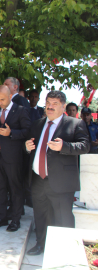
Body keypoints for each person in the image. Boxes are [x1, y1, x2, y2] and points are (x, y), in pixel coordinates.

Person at [25, 91, 90, 256]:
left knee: (63, 218)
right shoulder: (37, 124)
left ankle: (66, 251)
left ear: (63, 106)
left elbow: (85, 146)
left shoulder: (75, 124)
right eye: (48, 102)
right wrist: (27, 147)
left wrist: (64, 146)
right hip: (38, 179)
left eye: (54, 103)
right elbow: (32, 147)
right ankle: (41, 244)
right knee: (40, 215)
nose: (50, 106)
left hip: (61, 181)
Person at [0, 85, 31, 232]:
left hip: (13, 156)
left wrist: (11, 133)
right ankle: (2, 217)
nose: (0, 102)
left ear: (10, 96)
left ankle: (15, 220)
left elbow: (27, 131)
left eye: (2, 99)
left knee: (15, 188)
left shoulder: (20, 110)